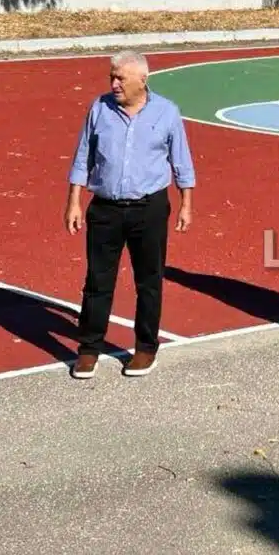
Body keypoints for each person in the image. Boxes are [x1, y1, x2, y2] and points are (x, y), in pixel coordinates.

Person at [64, 50, 196, 379]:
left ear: (142, 79)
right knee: (97, 281)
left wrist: (186, 203)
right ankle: (89, 349)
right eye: (112, 77)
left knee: (148, 281)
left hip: (149, 209)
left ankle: (146, 348)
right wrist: (74, 201)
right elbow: (83, 156)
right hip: (105, 209)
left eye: (120, 78)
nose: (114, 84)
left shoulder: (166, 112)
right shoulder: (99, 108)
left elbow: (181, 159)